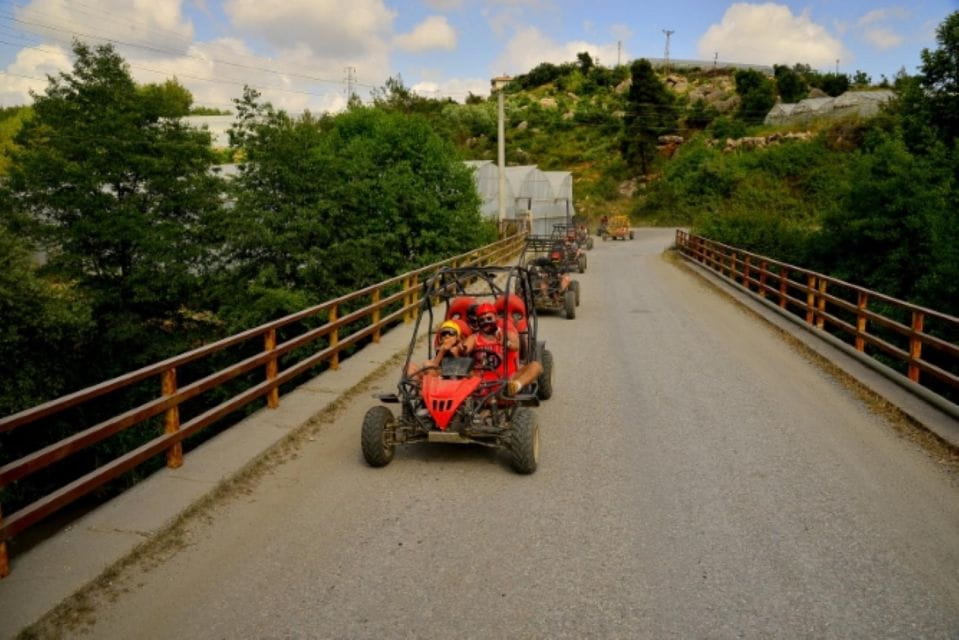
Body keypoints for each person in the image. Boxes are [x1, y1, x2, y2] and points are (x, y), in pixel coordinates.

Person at [463, 302, 542, 396]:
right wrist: (457, 347)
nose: (486, 322)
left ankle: (516, 386)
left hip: (508, 379)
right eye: (482, 320)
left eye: (489, 318)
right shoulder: (474, 338)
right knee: (464, 371)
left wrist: (506, 343)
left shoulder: (507, 334)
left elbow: (516, 346)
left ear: (496, 318)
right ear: (478, 323)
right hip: (481, 380)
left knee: (536, 366)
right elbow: (464, 349)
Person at [405, 319, 470, 378]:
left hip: (454, 377)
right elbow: (434, 365)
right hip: (438, 375)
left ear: (457, 337)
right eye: (444, 334)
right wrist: (442, 351)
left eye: (451, 333)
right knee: (409, 366)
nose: (447, 336)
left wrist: (455, 351)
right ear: (441, 339)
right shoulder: (440, 349)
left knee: (427, 364)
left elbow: (463, 367)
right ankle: (418, 387)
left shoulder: (460, 347)